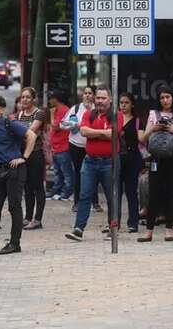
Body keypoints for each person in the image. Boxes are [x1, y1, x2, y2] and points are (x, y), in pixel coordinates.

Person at [138, 85, 173, 243]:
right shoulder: (153, 114)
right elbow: (143, 138)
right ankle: (149, 231)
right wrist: (154, 128)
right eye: (162, 97)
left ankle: (169, 229)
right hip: (156, 159)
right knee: (153, 194)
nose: (165, 100)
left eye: (168, 97)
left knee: (170, 194)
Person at [0, 94, 37, 254]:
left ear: (1, 109)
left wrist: (24, 158)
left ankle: (15, 243)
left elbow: (32, 135)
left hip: (14, 169)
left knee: (14, 206)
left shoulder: (9, 123)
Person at [65, 87, 115, 242]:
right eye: (98, 98)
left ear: (110, 100)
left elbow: (113, 135)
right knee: (84, 195)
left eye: (103, 98)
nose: (99, 100)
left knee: (111, 197)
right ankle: (78, 229)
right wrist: (102, 133)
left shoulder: (115, 116)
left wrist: (94, 132)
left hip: (109, 162)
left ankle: (113, 229)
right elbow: (84, 132)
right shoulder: (88, 114)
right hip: (90, 161)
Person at [62, 85, 101, 213]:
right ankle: (77, 202)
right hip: (76, 145)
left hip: (92, 146)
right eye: (85, 93)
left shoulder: (99, 109)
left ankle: (95, 202)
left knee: (94, 173)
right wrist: (73, 125)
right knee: (78, 173)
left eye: (90, 93)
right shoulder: (76, 108)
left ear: (94, 96)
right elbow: (62, 124)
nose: (87, 95)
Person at [16, 87, 47, 230]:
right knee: (27, 187)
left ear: (33, 99)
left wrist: (20, 129)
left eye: (28, 97)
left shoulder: (39, 113)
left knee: (38, 186)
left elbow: (30, 131)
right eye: (23, 97)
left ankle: (38, 219)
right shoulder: (21, 113)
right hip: (23, 154)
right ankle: (27, 217)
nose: (25, 100)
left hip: (35, 153)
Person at [117, 92, 145, 233]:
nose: (123, 105)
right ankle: (114, 222)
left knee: (131, 192)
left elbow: (142, 138)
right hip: (116, 158)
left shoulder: (137, 120)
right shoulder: (114, 119)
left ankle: (133, 222)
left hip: (132, 159)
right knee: (116, 192)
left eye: (126, 102)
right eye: (121, 102)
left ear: (132, 104)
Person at [48, 90, 74, 201]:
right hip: (56, 147)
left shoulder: (64, 110)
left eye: (51, 98)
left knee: (66, 172)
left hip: (63, 146)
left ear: (55, 99)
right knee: (57, 172)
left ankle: (66, 193)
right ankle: (56, 190)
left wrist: (52, 114)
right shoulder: (59, 109)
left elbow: (55, 126)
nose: (49, 101)